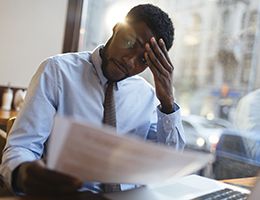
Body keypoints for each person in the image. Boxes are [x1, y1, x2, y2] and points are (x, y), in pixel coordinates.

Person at [0, 4, 185, 196]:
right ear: (116, 28)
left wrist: (168, 102)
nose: (130, 61)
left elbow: (167, 163)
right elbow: (22, 146)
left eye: (144, 60)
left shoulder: (149, 96)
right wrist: (22, 173)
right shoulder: (57, 72)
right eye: (129, 42)